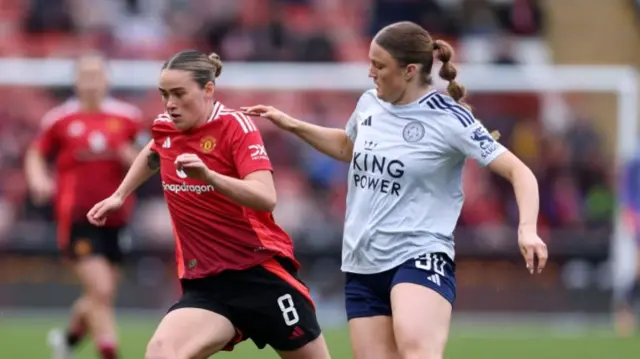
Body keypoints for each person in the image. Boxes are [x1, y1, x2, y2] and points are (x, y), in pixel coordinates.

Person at [242, 21, 548, 359]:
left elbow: (520, 172)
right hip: (361, 262)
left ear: (410, 71)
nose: (370, 72)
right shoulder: (370, 104)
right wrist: (292, 124)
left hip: (419, 254)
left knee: (417, 352)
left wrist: (527, 230)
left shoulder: (449, 119)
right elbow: (348, 147)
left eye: (379, 65)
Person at [86, 50, 331, 359]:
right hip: (207, 283)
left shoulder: (235, 127)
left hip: (259, 275)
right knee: (161, 352)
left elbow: (266, 196)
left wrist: (210, 176)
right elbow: (153, 150)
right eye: (164, 95)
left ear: (208, 90)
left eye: (178, 93)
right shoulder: (166, 126)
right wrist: (120, 195)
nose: (170, 103)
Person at [24, 52, 144, 359]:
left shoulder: (128, 118)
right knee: (101, 292)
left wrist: (130, 157)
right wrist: (39, 179)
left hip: (117, 219)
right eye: (85, 76)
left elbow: (147, 159)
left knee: (98, 295)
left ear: (108, 79)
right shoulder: (60, 119)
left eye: (97, 75)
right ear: (76, 81)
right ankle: (109, 352)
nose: (91, 82)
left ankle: (65, 344)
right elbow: (36, 154)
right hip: (77, 217)